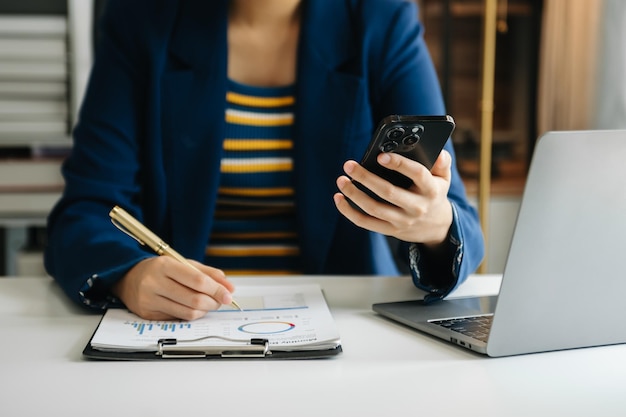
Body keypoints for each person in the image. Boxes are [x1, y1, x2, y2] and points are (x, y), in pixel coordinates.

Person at [44, 0, 484, 321]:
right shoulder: (142, 20)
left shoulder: (381, 18)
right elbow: (85, 210)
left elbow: (461, 221)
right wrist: (130, 276)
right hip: (185, 329)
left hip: (342, 327)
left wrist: (433, 226)